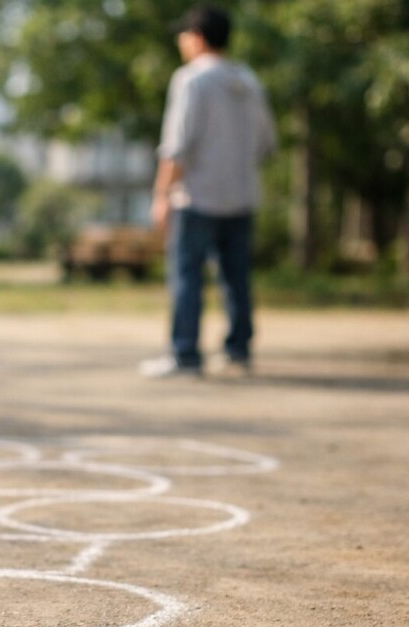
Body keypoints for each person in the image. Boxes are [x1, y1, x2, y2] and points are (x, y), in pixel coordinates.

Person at [142, 4, 276, 378]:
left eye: (184, 35)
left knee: (187, 275)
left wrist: (161, 195)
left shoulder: (191, 80)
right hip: (242, 193)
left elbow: (177, 145)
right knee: (236, 277)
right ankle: (239, 349)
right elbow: (267, 143)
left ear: (197, 38)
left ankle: (185, 354)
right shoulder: (249, 81)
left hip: (197, 196)